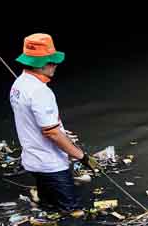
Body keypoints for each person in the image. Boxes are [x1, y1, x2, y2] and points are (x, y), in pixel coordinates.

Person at [9, 33, 94, 213]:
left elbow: (39, 124)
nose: (55, 65)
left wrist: (60, 131)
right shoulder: (40, 91)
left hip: (33, 160)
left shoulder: (18, 84)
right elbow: (52, 133)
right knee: (70, 212)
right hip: (50, 164)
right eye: (51, 61)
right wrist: (82, 157)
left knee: (48, 204)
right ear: (41, 64)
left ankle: (44, 217)